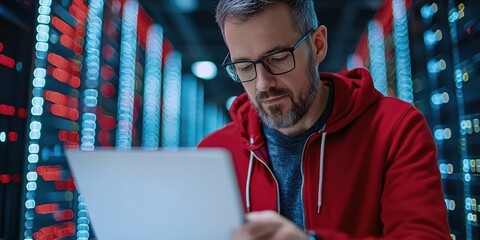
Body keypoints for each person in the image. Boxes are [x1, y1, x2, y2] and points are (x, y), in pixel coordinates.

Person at [198, 0, 450, 239]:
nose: (263, 83)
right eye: (244, 67)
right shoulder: (212, 153)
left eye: (278, 58)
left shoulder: (395, 130)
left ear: (318, 45)